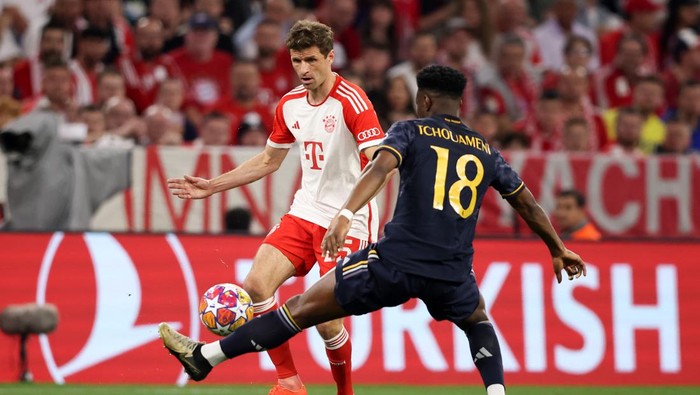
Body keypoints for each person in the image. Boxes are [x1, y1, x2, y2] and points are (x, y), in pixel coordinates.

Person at [159, 65, 586, 395]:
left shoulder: (411, 130)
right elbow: (525, 201)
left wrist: (345, 214)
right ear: (460, 104)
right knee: (477, 321)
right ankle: (496, 390)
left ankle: (205, 357)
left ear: (424, 100)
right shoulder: (487, 151)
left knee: (300, 311)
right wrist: (557, 247)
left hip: (395, 263)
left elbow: (380, 166)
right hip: (451, 271)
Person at [166, 20, 385, 395]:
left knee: (327, 319)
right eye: (296, 60)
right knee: (255, 285)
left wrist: (347, 216)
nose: (303, 69)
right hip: (306, 210)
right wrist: (212, 186)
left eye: (311, 60)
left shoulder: (353, 102)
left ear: (330, 58)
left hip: (351, 217)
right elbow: (269, 161)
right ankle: (288, 380)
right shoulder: (289, 105)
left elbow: (379, 166)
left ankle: (345, 392)